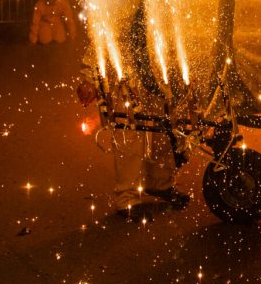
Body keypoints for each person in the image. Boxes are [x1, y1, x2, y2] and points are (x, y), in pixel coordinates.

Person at [76, 59, 190, 219]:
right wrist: (89, 78)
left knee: (163, 128)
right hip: (124, 71)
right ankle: (126, 197)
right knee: (129, 133)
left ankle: (159, 183)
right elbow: (103, 36)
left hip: (157, 70)